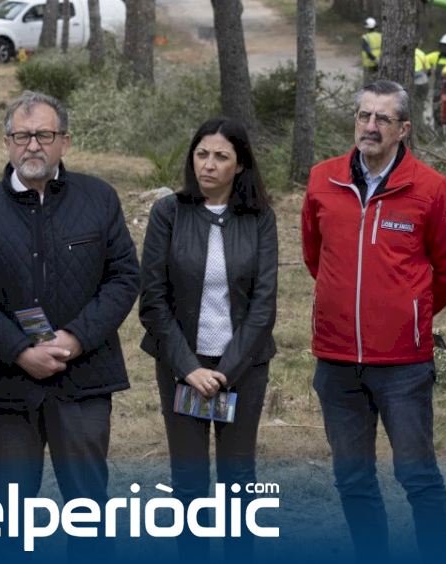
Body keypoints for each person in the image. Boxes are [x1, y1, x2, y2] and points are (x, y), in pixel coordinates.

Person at [0, 90, 140, 556]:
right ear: (6, 143)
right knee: (9, 515)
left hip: (83, 378)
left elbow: (123, 277)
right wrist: (21, 351)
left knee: (87, 509)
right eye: (22, 136)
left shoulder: (99, 199)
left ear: (65, 141)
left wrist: (75, 338)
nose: (32, 145)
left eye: (44, 134)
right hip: (7, 384)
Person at [301, 79, 446, 561]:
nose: (370, 126)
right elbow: (315, 256)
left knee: (417, 476)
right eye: (364, 116)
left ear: (404, 129)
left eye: (383, 119)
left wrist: (409, 312)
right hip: (336, 360)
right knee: (352, 478)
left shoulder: (434, 189)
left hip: (402, 365)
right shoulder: (323, 179)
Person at [139, 117, 278, 561]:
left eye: (221, 156)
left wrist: (224, 373)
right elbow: (153, 300)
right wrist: (190, 369)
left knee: (238, 479)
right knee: (189, 481)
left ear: (240, 165)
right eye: (202, 154)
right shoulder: (168, 213)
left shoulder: (260, 218)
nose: (209, 165)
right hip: (182, 364)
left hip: (243, 366)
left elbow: (264, 305)